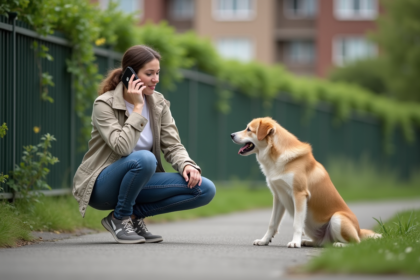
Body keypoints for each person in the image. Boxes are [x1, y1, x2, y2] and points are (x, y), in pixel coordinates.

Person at [72, 45, 216, 244]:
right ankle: (119, 217)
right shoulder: (104, 104)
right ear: (130, 75)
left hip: (138, 180)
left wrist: (187, 165)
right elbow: (122, 148)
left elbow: (173, 145)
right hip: (101, 185)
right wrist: (138, 107)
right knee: (145, 158)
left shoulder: (158, 103)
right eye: (149, 73)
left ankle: (131, 216)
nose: (156, 79)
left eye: (157, 73)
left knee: (205, 189)